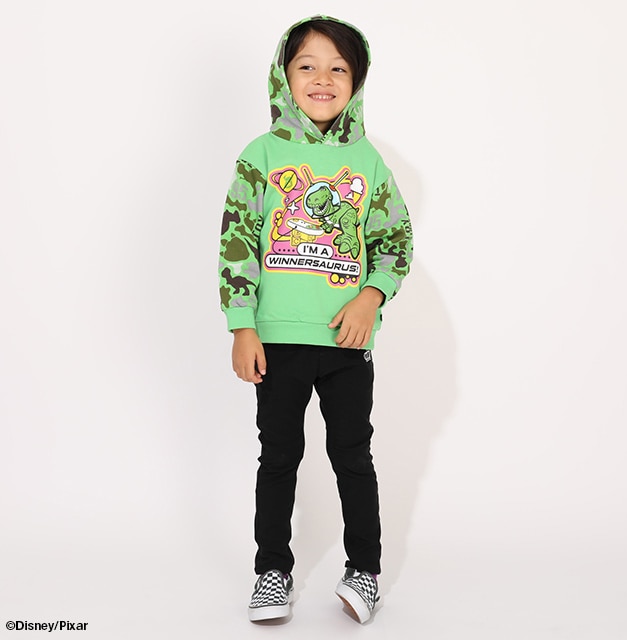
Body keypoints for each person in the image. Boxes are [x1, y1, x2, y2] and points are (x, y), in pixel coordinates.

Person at [218, 15, 413, 624]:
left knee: (353, 456)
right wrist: (243, 325)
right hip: (276, 342)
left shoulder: (368, 162)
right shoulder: (261, 156)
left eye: (338, 68)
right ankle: (272, 572)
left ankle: (365, 571)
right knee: (278, 458)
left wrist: (371, 297)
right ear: (284, 76)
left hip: (347, 344)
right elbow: (237, 243)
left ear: (356, 82)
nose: (322, 78)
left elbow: (395, 241)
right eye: (307, 65)